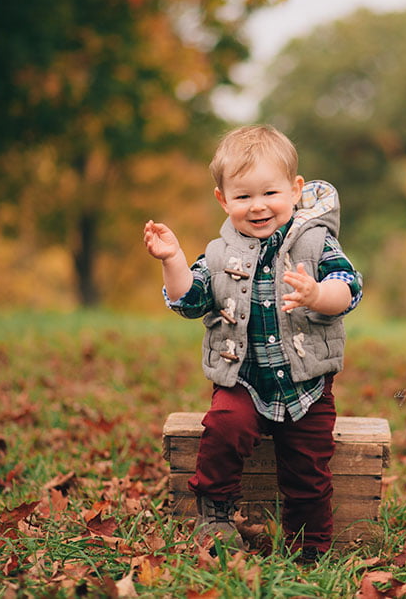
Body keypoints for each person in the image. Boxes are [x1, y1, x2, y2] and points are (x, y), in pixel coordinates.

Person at [143, 125, 362, 561]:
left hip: (307, 385)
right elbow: (191, 299)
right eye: (243, 197)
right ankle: (216, 512)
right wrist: (172, 261)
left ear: (295, 190)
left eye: (270, 193)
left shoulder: (317, 241)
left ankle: (310, 548)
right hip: (241, 378)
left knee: (309, 469)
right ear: (223, 200)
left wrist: (318, 294)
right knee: (225, 427)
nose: (258, 206)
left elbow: (348, 286)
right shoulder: (220, 253)